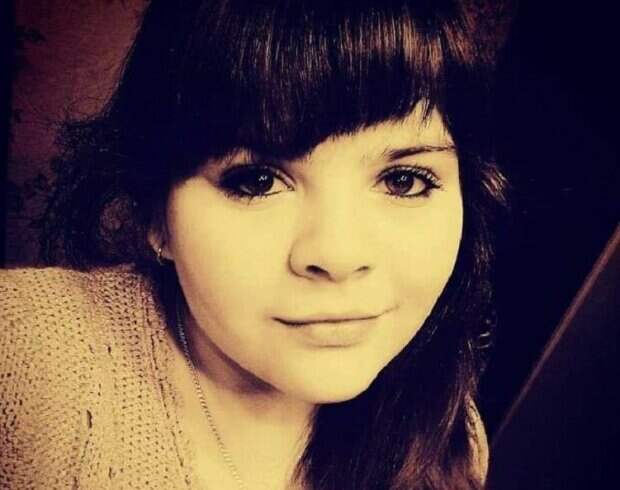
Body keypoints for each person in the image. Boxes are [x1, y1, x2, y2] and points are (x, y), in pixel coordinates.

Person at [1, 0, 508, 488]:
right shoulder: (23, 355)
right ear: (155, 213)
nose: (339, 255)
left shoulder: (451, 436)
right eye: (257, 182)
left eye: (404, 181)